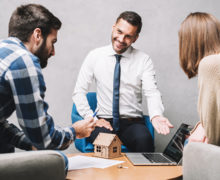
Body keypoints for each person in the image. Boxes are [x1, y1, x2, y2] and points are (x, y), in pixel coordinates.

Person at [0, 3, 96, 172]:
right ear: (37, 35)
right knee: (59, 163)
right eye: (53, 42)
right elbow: (44, 139)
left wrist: (32, 145)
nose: (53, 52)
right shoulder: (23, 61)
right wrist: (75, 131)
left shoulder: (4, 51)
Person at [73, 11, 173, 152]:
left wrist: (156, 115)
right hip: (103, 122)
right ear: (113, 27)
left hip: (132, 123)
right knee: (107, 147)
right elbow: (79, 92)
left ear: (135, 38)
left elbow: (152, 92)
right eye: (119, 32)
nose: (121, 39)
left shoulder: (143, 60)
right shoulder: (95, 56)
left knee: (144, 141)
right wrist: (92, 119)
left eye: (128, 36)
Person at [179, 12, 220, 145]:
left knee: (189, 143)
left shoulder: (210, 64)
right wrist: (202, 126)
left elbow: (212, 138)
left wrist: (203, 128)